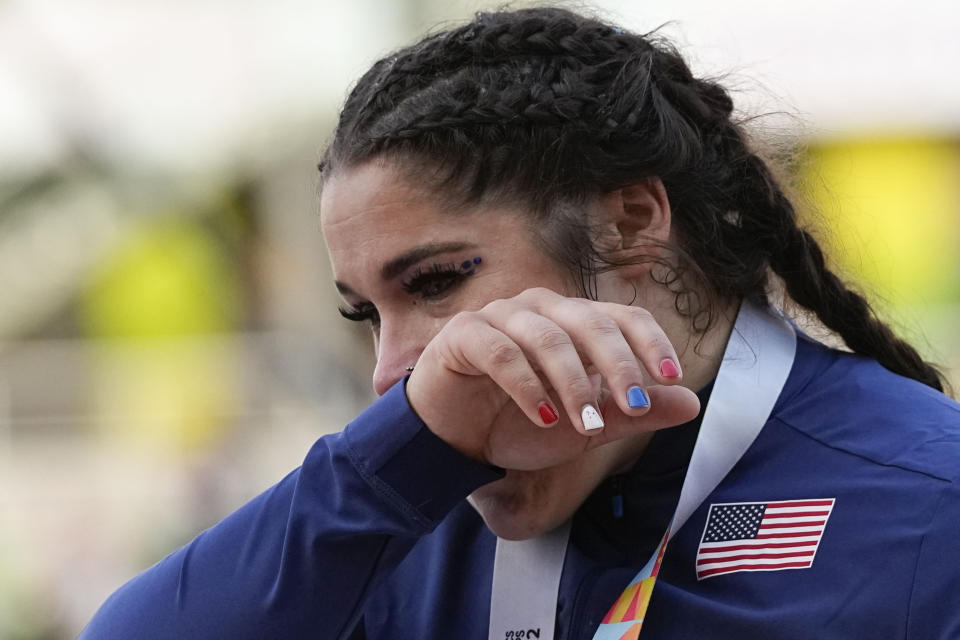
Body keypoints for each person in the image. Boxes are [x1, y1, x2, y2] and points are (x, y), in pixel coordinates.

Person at [80, 7, 960, 639]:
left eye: (436, 281)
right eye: (364, 314)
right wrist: (386, 472)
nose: (393, 371)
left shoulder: (927, 505)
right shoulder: (393, 516)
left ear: (628, 223)